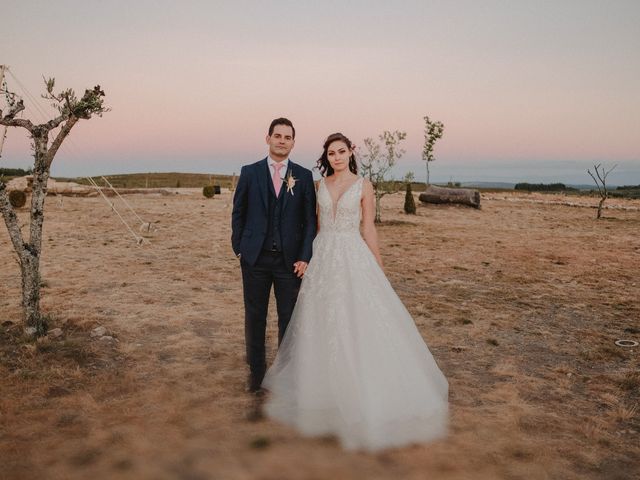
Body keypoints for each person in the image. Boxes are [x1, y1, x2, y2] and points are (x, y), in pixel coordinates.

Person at [261, 133, 449, 452]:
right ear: (327, 157)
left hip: (352, 254)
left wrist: (377, 263)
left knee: (358, 318)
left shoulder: (364, 186)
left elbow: (369, 227)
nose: (336, 157)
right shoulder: (320, 185)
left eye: (341, 151)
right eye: (331, 153)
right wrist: (306, 257)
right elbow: (315, 227)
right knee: (320, 321)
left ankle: (364, 387)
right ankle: (320, 391)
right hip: (322, 257)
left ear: (351, 152)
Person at [231, 118, 317, 394]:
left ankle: (285, 375)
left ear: (293, 142)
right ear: (267, 138)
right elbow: (239, 212)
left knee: (288, 319)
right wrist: (240, 247)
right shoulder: (250, 172)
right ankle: (256, 375)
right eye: (277, 135)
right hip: (254, 259)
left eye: (287, 137)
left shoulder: (303, 177)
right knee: (254, 317)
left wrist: (305, 257)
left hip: (289, 262)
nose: (282, 140)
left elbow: (309, 222)